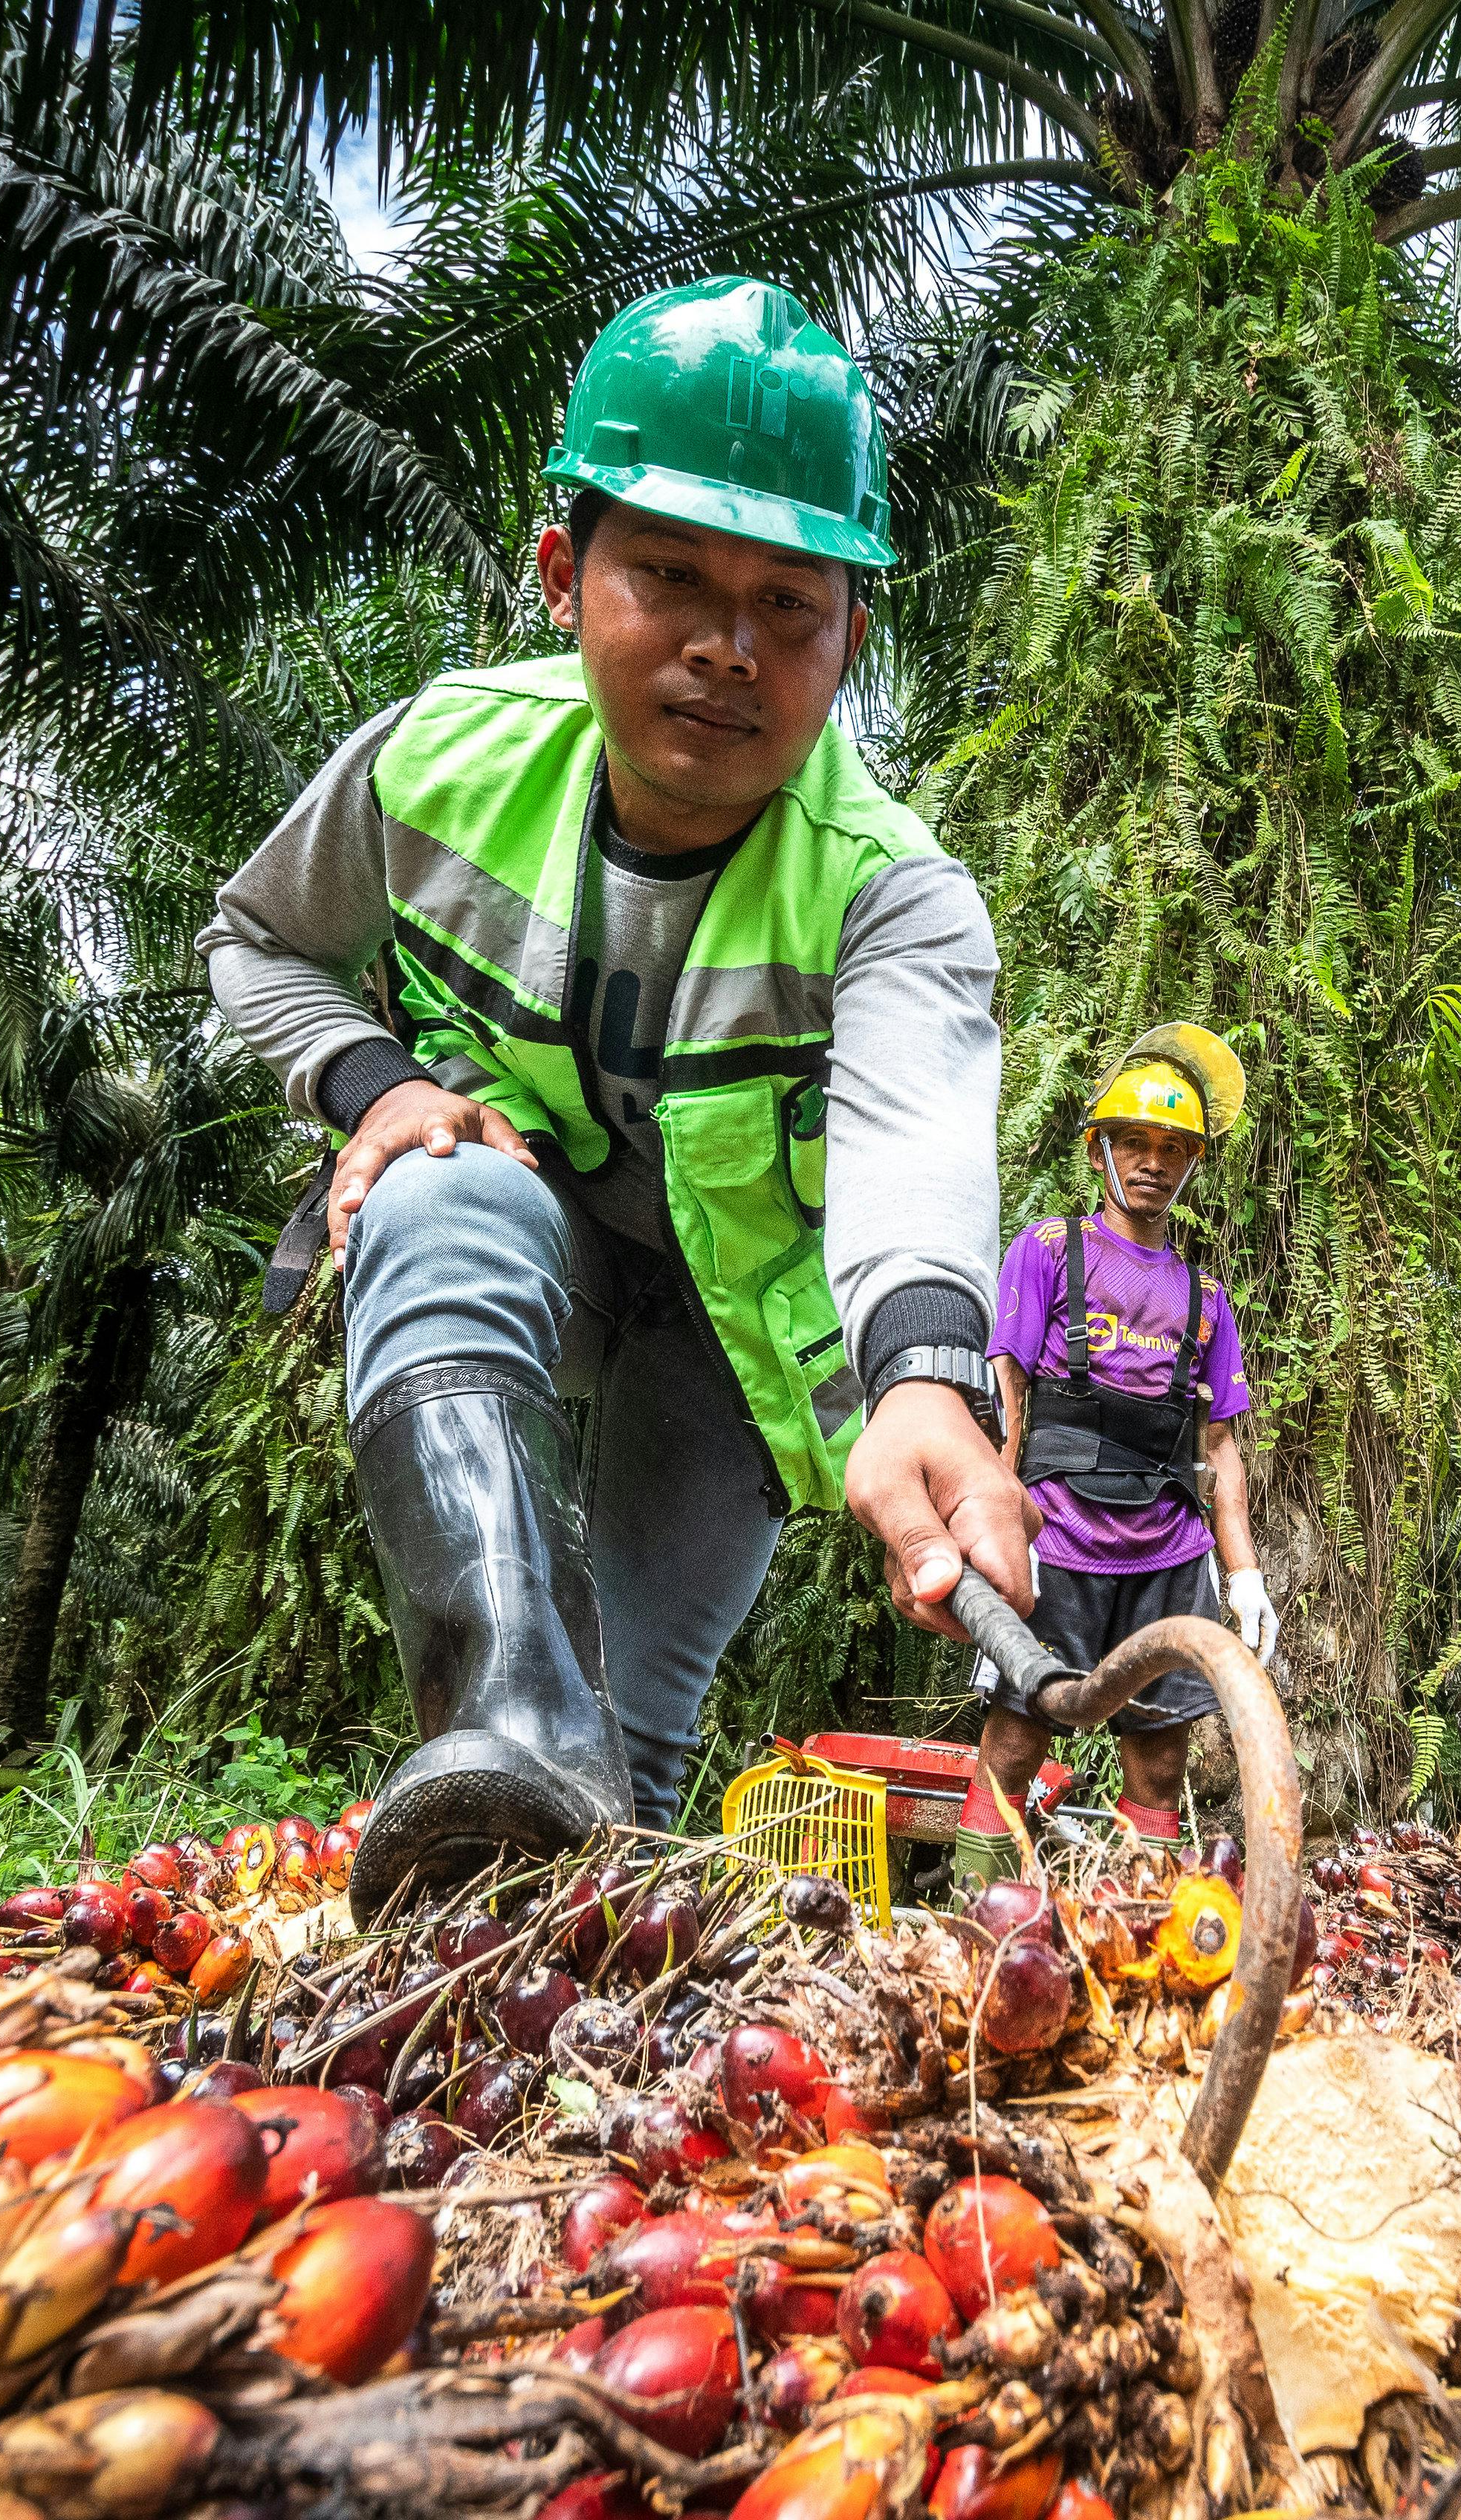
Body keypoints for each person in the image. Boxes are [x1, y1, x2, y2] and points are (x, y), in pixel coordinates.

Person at [201, 276, 1033, 1917]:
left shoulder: (895, 893)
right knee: (435, 1187)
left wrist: (927, 1384)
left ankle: (560, 2025)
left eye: (792, 605)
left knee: (632, 1752)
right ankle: (496, 1703)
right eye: (669, 576)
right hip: (526, 1240)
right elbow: (251, 942)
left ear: (849, 637)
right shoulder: (436, 763)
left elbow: (915, 1143)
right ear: (562, 575)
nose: (730, 645)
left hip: (740, 1349)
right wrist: (371, 1083)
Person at [953, 1025, 1277, 1885]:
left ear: (1191, 1165)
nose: (1152, 1162)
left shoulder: (1205, 1296)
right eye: (1134, 1140)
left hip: (1167, 1557)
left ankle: (1140, 1940)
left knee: (1160, 1763)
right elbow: (1005, 1398)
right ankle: (974, 1920)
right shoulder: (1050, 1251)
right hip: (1056, 1540)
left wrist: (1241, 1574)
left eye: (1173, 1148)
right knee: (1016, 1740)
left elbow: (1220, 1449)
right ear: (1099, 1148)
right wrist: (999, 1516)